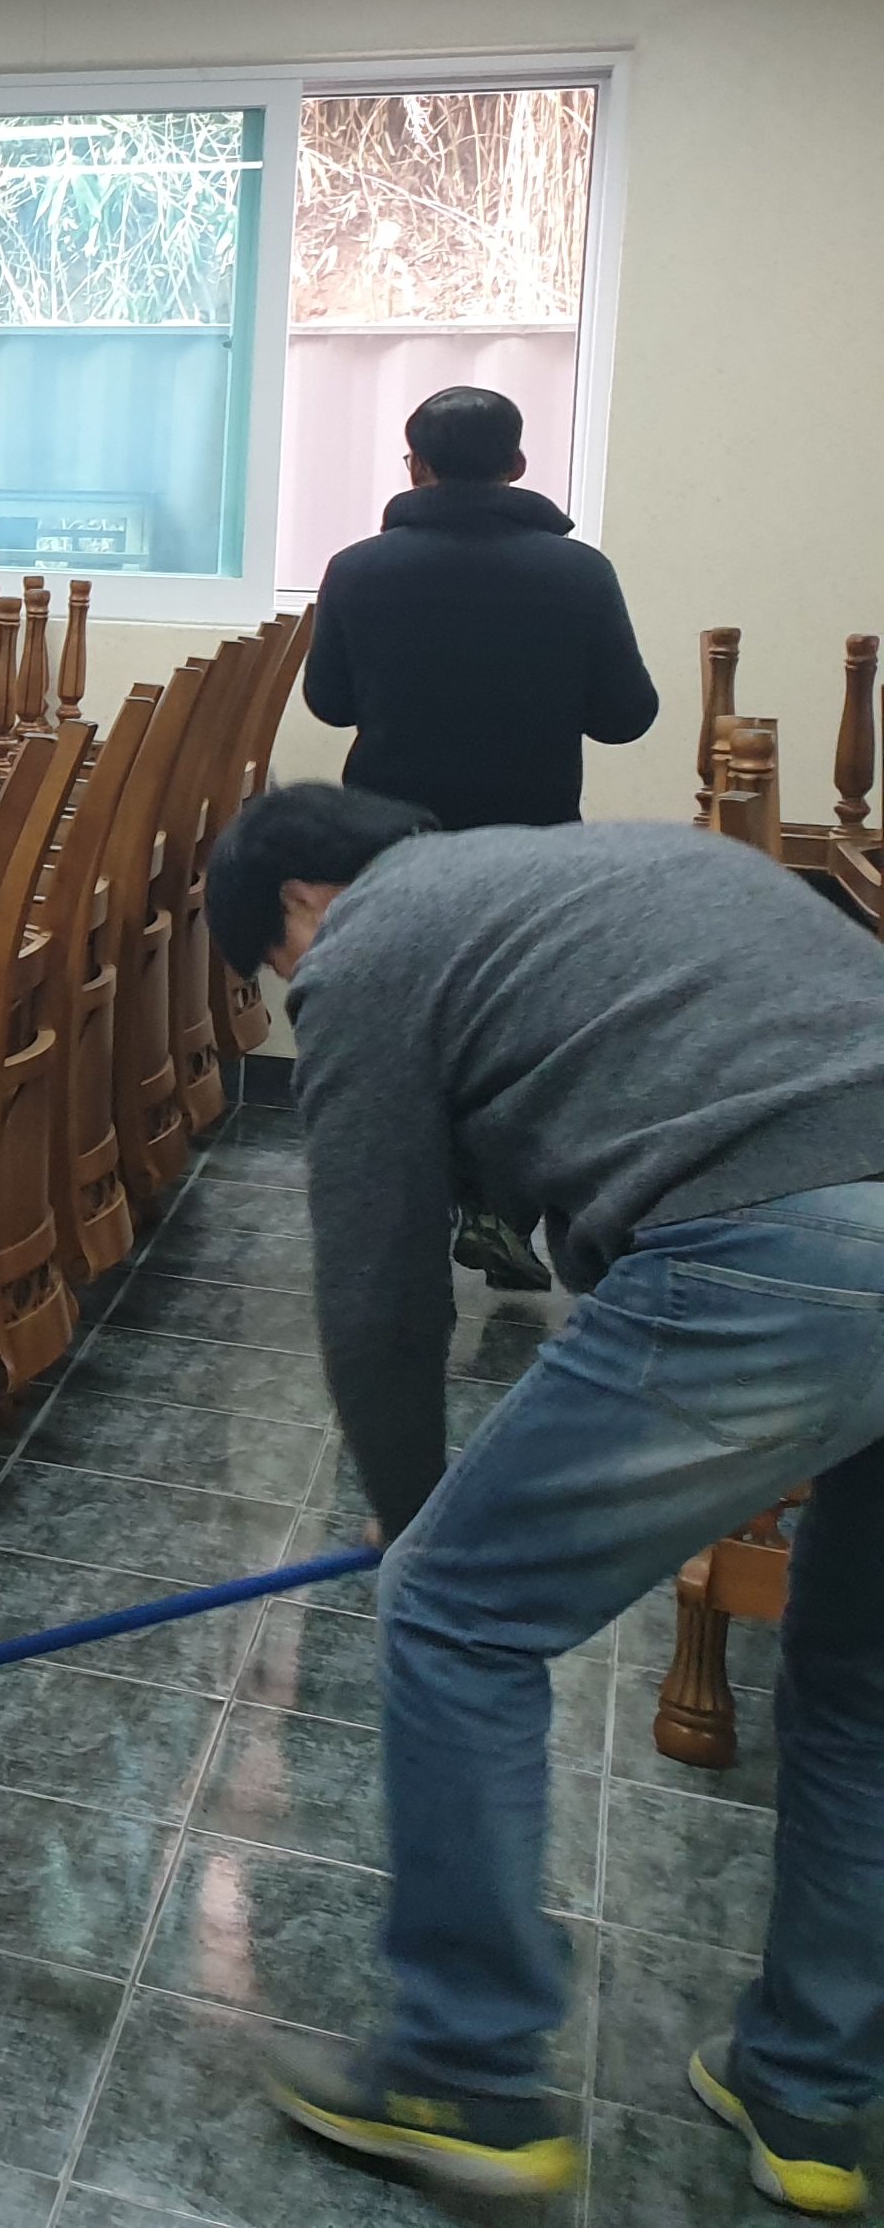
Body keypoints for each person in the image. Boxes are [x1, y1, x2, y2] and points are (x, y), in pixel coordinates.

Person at [204, 784, 884, 2211]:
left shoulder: (369, 944)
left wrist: (411, 1511)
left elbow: (379, 1288)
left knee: (454, 1611)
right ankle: (812, 2093)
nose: (296, 995)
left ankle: (463, 2072)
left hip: (785, 1239)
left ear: (300, 905)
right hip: (832, 1203)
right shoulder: (563, 878)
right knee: (864, 1689)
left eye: (274, 970)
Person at [303, 386, 662, 1291]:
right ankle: (501, 1208)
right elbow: (626, 717)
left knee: (401, 1021)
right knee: (519, 1030)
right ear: (517, 465)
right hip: (530, 844)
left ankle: (400, 1207)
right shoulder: (579, 572)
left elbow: (330, 703)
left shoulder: (357, 569)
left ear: (415, 467)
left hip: (394, 846)